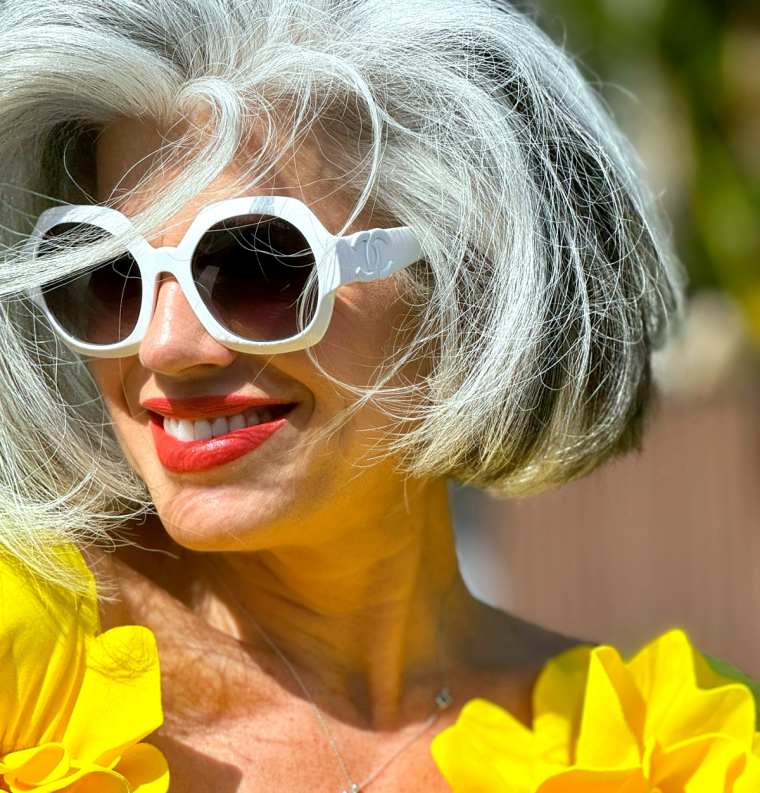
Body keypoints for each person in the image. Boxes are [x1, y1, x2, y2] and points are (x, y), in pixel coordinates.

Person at [2, 1, 757, 792]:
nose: (164, 347)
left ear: (470, 287)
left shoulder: (677, 755)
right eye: (112, 272)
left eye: (258, 262)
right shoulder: (21, 663)